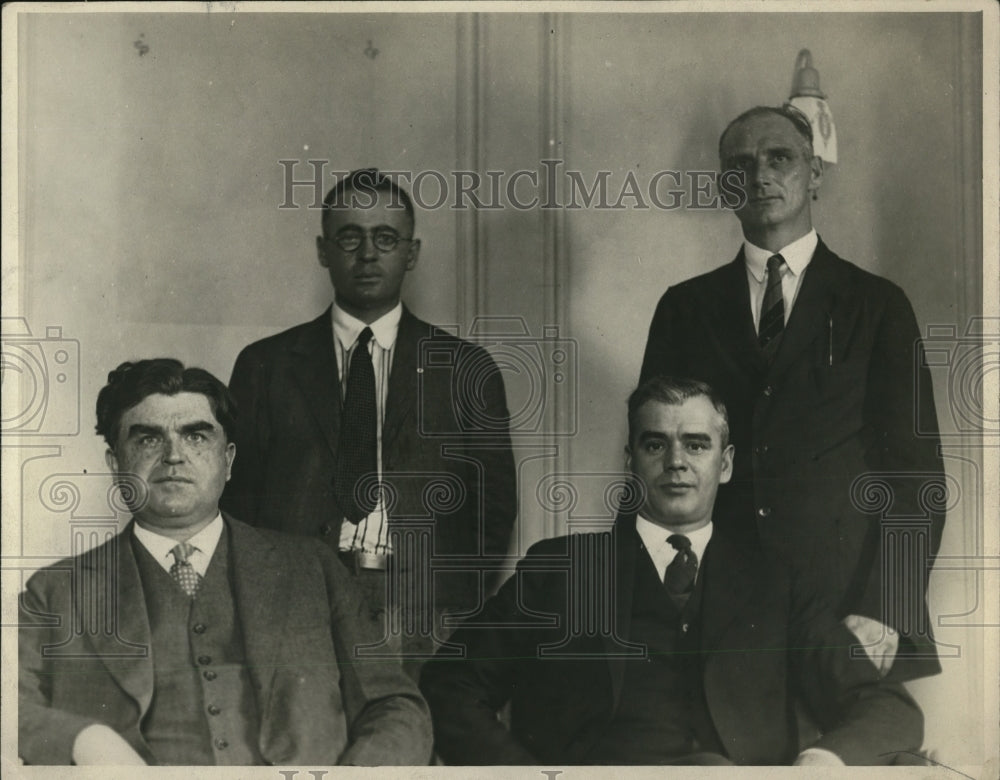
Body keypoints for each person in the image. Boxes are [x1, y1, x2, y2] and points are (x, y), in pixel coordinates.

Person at [420, 376, 923, 766]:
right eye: (656, 444)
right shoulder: (560, 570)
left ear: (724, 465)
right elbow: (449, 684)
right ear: (630, 461)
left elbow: (886, 706)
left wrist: (818, 765)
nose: (676, 462)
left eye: (696, 445)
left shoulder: (775, 583)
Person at [639, 106, 945, 680]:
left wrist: (885, 608)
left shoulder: (878, 305)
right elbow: (654, 465)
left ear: (816, 173)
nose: (759, 175)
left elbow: (918, 478)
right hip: (717, 614)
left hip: (849, 613)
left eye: (779, 157)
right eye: (741, 164)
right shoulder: (684, 308)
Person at [18, 359, 432, 766]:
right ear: (115, 466)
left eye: (196, 437)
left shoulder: (312, 569)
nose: (173, 456)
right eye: (148, 440)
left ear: (229, 461)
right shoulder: (56, 592)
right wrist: (86, 740)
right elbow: (11, 707)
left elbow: (396, 708)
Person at [223, 169, 516, 676]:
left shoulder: (465, 368)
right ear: (322, 250)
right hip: (296, 603)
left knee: (416, 743)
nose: (367, 253)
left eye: (385, 237)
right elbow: (238, 499)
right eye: (349, 237)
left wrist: (454, 600)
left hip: (426, 610)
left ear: (412, 252)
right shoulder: (265, 365)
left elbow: (493, 505)